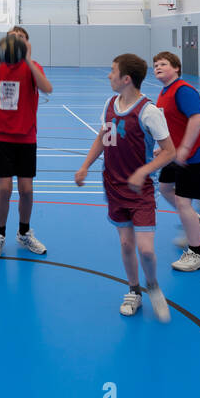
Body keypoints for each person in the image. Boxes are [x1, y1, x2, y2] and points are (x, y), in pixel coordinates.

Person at [74, 54, 175, 320]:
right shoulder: (110, 103)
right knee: (127, 244)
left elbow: (168, 151)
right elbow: (102, 136)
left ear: (126, 79)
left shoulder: (149, 112)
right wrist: (85, 166)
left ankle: (153, 286)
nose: (109, 75)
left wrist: (143, 171)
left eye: (112, 71)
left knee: (146, 249)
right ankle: (133, 290)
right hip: (113, 186)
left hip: (140, 192)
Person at [0, 26, 53, 258]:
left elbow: (47, 88)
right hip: (0, 135)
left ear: (27, 44)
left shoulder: (33, 67)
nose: (16, 41)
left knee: (26, 190)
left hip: (26, 135)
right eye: (12, 39)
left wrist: (27, 60)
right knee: (4, 188)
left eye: (21, 39)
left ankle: (24, 232)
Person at [150, 52, 200, 271]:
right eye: (155, 65)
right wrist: (164, 146)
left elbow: (196, 118)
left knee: (182, 201)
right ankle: (196, 223)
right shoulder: (164, 92)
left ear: (176, 68)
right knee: (166, 188)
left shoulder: (183, 90)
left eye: (163, 64)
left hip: (196, 154)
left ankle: (197, 254)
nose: (158, 67)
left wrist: (186, 148)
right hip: (175, 152)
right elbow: (171, 124)